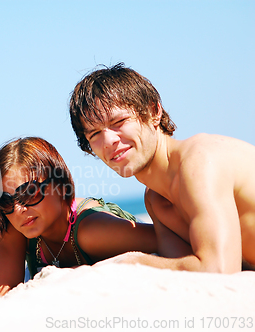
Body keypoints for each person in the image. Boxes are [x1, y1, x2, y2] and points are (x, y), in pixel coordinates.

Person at [69, 63, 255, 273]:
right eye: (94, 134)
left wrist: (130, 262)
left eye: (119, 121)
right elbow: (179, 267)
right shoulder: (156, 199)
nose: (108, 140)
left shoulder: (200, 162)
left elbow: (218, 270)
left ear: (153, 111)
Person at [0, 136, 157, 296]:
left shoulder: (92, 230)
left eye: (29, 192)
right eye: (5, 201)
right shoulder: (17, 225)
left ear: (61, 186)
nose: (18, 209)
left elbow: (163, 240)